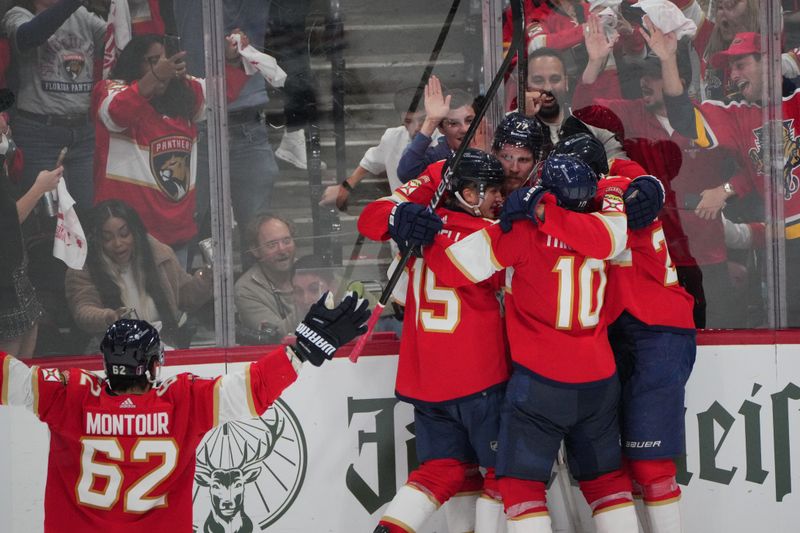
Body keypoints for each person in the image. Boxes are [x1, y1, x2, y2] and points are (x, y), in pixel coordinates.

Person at [0, 292, 370, 532]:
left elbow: (7, 376)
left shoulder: (67, 393)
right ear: (153, 366)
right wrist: (304, 348)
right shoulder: (183, 400)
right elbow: (254, 387)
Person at [424, 155, 639, 532]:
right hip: (599, 380)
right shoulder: (607, 227)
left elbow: (450, 267)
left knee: (520, 485)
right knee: (606, 481)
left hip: (541, 385)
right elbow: (612, 233)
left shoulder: (522, 231)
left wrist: (427, 234)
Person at [360, 149, 510, 533]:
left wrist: (397, 216)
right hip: (478, 377)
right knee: (503, 470)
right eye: (489, 190)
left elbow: (375, 223)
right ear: (465, 192)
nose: (498, 198)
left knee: (441, 469)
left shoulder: (420, 227)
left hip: (427, 379)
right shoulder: (487, 234)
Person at [574, 13, 742, 327]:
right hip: (649, 254)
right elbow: (584, 111)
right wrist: (595, 62)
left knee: (713, 337)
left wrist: (728, 190)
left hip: (705, 253)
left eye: (654, 74)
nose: (643, 81)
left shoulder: (708, 119)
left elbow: (751, 165)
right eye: (643, 74)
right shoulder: (630, 113)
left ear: (677, 76)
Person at [649, 25, 800, 325]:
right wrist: (667, 59)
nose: (732, 75)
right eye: (730, 68)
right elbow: (684, 119)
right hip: (783, 245)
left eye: (740, 64)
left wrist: (788, 61)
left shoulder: (795, 100)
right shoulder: (735, 115)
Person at [91, 32, 250, 263]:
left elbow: (222, 92)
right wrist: (156, 76)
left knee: (176, 299)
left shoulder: (185, 92)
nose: (164, 69)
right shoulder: (111, 89)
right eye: (154, 61)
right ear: (135, 62)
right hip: (126, 238)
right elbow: (116, 114)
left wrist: (233, 59)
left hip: (176, 235)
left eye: (168, 62)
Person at [65, 199, 212, 349]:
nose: (118, 243)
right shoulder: (83, 267)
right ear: (97, 241)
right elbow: (82, 310)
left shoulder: (160, 254)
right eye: (107, 238)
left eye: (124, 234)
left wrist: (206, 278)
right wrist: (109, 317)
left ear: (135, 233)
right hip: (113, 354)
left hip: (168, 348)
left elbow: (185, 296)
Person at [2, 0, 107, 209]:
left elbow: (117, 39)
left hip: (82, 133)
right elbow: (29, 36)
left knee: (85, 211)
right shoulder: (17, 14)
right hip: (38, 133)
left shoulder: (82, 15)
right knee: (41, 213)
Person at [1, 105, 63, 357]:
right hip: (3, 270)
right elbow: (7, 222)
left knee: (30, 329)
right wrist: (39, 188)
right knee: (10, 355)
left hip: (14, 264)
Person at [319, 86, 436, 211]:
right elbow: (370, 161)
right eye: (408, 121)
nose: (417, 127)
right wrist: (346, 187)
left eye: (423, 120)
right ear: (400, 119)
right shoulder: (392, 137)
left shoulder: (445, 140)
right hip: (403, 215)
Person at [524, 47, 629, 162]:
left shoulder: (589, 121)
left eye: (555, 79)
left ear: (566, 83)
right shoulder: (511, 122)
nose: (548, 88)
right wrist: (525, 121)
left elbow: (620, 164)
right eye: (538, 81)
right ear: (525, 86)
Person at [235, 213, 299, 343]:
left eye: (287, 241)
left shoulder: (310, 271)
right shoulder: (246, 289)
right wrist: (312, 304)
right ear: (255, 250)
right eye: (272, 245)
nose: (282, 250)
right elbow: (277, 335)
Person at [397, 76, 475, 182]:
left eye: (470, 121)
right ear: (441, 129)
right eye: (453, 123)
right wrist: (431, 120)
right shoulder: (436, 157)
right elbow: (406, 174)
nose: (464, 129)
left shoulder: (496, 146)